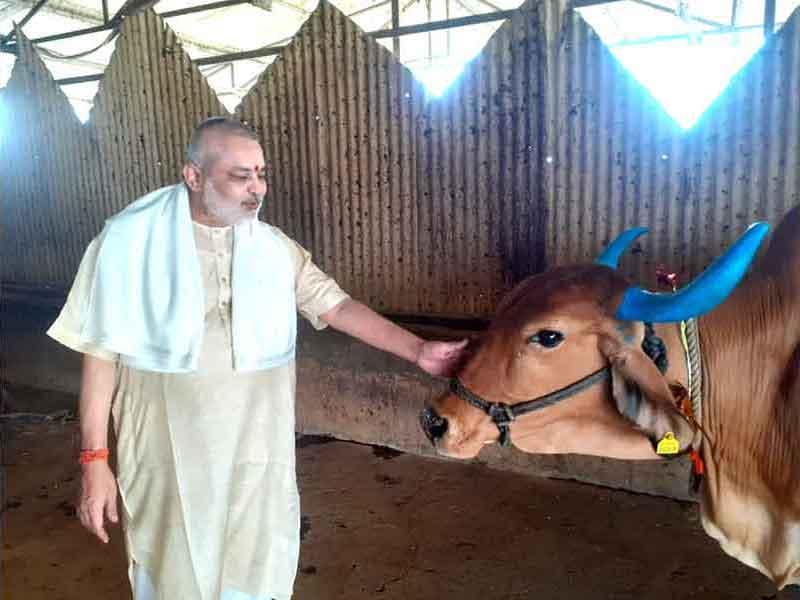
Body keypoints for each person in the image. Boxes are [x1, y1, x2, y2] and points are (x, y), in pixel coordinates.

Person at [47, 117, 467, 600]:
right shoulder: (125, 243)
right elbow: (99, 356)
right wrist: (95, 461)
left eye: (261, 173)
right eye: (239, 175)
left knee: (256, 559)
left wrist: (417, 350)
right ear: (194, 175)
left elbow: (336, 305)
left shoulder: (271, 248)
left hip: (256, 450)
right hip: (166, 452)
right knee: (173, 565)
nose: (256, 189)